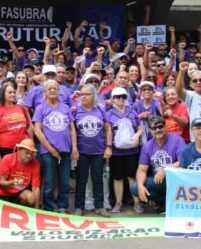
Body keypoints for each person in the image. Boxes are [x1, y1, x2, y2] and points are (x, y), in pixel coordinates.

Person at [32, 79, 78, 213]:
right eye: (49, 89)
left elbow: (72, 129)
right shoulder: (41, 108)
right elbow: (37, 131)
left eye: (55, 89)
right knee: (49, 182)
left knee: (64, 181)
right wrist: (51, 150)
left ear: (58, 92)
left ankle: (63, 207)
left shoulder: (65, 107)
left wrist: (74, 148)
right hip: (47, 152)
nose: (52, 90)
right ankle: (48, 208)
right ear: (45, 92)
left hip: (65, 151)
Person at [131, 115, 185, 212]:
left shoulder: (177, 140)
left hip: (176, 179)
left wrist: (165, 169)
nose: (157, 130)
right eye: (154, 128)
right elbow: (142, 170)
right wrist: (140, 186)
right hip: (158, 181)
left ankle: (168, 202)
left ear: (165, 127)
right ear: (150, 130)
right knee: (135, 187)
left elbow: (184, 162)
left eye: (160, 127)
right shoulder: (147, 146)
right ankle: (162, 200)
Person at [73, 83, 111, 216]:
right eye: (81, 94)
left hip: (98, 151)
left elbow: (107, 129)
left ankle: (100, 206)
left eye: (87, 94)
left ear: (93, 96)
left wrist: (108, 147)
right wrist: (74, 149)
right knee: (81, 179)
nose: (83, 97)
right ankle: (79, 207)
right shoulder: (76, 111)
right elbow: (72, 130)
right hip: (82, 152)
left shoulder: (100, 110)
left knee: (98, 179)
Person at [106, 86, 143, 212]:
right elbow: (108, 132)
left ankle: (137, 202)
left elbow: (140, 128)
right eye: (117, 97)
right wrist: (109, 147)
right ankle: (118, 202)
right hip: (116, 151)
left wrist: (137, 136)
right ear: (113, 99)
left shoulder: (132, 111)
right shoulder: (108, 114)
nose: (120, 99)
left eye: (123, 96)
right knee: (118, 177)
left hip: (132, 150)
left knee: (132, 176)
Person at [0, 81, 33, 160]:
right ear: (3, 94)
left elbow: (29, 126)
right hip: (5, 149)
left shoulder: (21, 107)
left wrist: (31, 143)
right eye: (10, 92)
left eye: (14, 92)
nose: (13, 94)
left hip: (23, 147)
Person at [0, 138, 41, 208]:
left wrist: (36, 210)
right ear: (19, 150)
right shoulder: (7, 159)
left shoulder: (36, 164)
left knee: (30, 198)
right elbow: (1, 183)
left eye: (32, 154)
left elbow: (35, 188)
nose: (29, 156)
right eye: (27, 153)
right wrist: (12, 183)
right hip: (3, 192)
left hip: (19, 193)